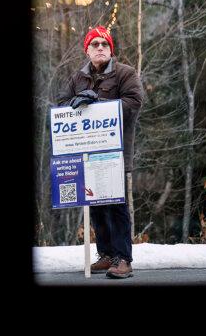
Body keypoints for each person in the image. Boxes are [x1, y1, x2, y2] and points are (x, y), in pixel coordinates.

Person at [56, 26, 143, 279]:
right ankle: (106, 255)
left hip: (114, 153)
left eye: (104, 44)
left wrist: (97, 103)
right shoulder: (77, 78)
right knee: (95, 205)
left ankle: (123, 259)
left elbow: (134, 102)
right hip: (85, 154)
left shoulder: (125, 73)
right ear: (87, 50)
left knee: (116, 205)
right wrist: (75, 103)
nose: (100, 48)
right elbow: (61, 105)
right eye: (94, 44)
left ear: (110, 49)